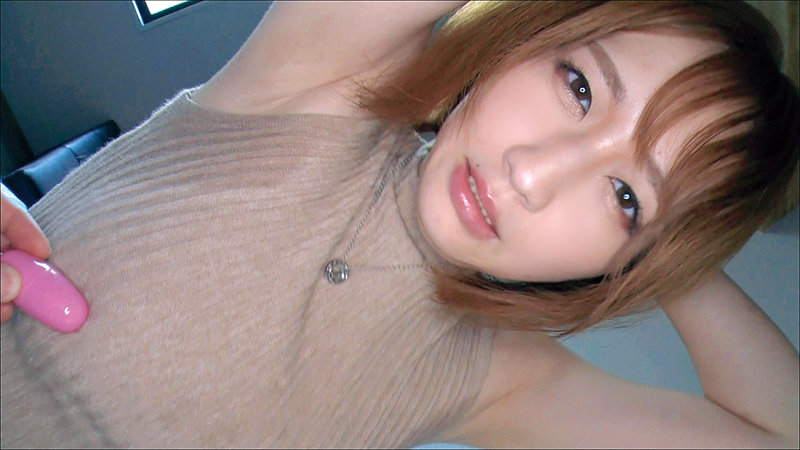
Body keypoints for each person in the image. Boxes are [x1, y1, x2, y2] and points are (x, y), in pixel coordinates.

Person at [1, 1, 798, 447]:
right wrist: (643, 212)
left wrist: (669, 252)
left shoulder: (494, 378)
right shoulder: (324, 82)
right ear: (524, 41)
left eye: (623, 197)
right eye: (579, 87)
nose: (532, 174)